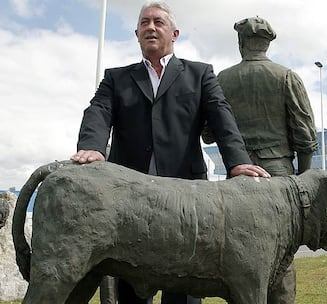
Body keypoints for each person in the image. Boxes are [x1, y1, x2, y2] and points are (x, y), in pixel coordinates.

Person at [71, 2, 270, 304]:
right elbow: (98, 111)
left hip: (186, 204)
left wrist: (239, 163)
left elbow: (222, 116)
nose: (151, 27)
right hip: (130, 202)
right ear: (136, 33)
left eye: (158, 22)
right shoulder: (116, 78)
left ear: (174, 33)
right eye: (144, 22)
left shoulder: (200, 75)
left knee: (184, 292)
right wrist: (93, 148)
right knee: (130, 287)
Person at [204, 17, 318, 304]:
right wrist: (301, 180)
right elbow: (305, 137)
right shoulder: (286, 77)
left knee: (240, 254)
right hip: (279, 177)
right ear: (267, 44)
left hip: (238, 179)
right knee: (281, 256)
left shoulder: (222, 80)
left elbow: (207, 133)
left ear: (241, 43)